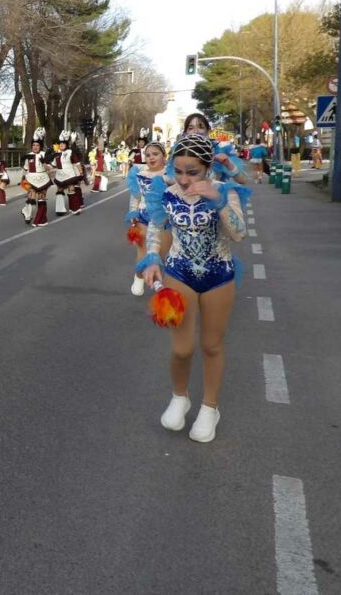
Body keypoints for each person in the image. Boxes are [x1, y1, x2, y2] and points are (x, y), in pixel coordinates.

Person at [139, 134, 250, 443]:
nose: (185, 179)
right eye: (179, 170)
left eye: (193, 172)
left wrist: (217, 201)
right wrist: (151, 258)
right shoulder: (167, 193)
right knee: (181, 348)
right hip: (179, 273)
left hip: (219, 276)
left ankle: (209, 407)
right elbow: (156, 226)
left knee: (211, 346)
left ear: (207, 168)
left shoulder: (226, 192)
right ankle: (179, 396)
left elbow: (239, 235)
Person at [125, 140, 168, 295]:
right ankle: (138, 277)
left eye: (155, 154)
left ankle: (156, 279)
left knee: (159, 255)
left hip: (164, 220)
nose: (151, 158)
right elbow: (135, 197)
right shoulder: (140, 174)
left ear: (164, 156)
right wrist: (133, 213)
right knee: (142, 253)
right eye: (148, 155)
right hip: (143, 218)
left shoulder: (171, 174)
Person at [182, 112, 247, 185]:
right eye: (190, 128)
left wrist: (228, 163)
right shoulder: (180, 153)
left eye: (201, 127)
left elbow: (243, 180)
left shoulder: (221, 151)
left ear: (208, 130)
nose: (196, 131)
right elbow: (168, 179)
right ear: (185, 133)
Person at [21, 128, 54, 227]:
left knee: (41, 200)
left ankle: (41, 220)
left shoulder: (45, 154)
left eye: (37, 145)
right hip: (31, 179)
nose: (35, 147)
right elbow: (25, 169)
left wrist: (44, 164)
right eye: (33, 145)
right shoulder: (28, 156)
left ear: (40, 146)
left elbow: (50, 169)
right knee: (31, 198)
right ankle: (27, 214)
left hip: (43, 179)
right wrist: (23, 178)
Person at [52, 130, 86, 215]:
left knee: (71, 189)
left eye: (63, 143)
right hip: (59, 176)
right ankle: (60, 210)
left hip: (70, 175)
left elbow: (77, 163)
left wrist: (81, 173)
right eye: (60, 144)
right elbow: (53, 165)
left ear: (66, 144)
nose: (61, 145)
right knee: (59, 190)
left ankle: (75, 208)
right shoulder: (56, 154)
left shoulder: (70, 152)